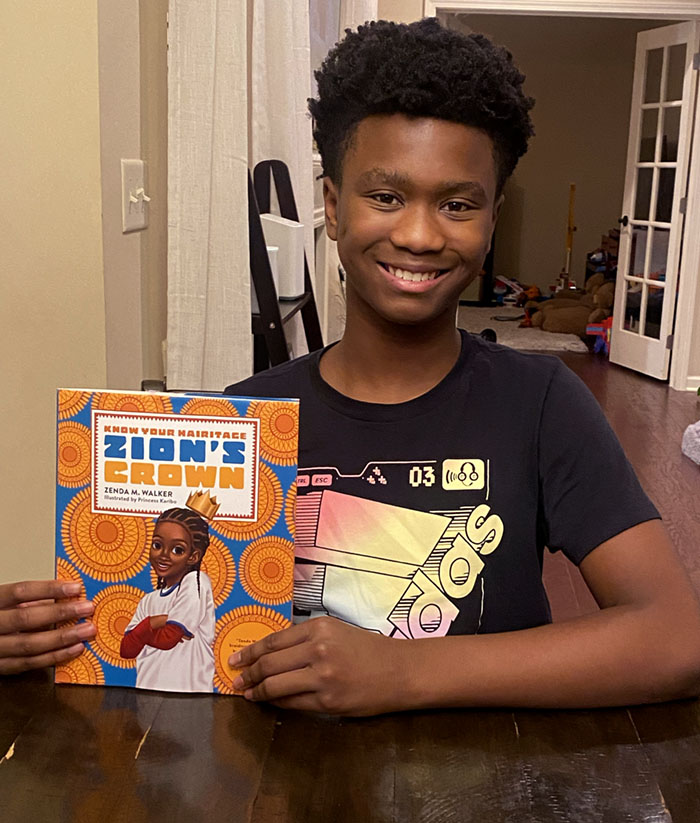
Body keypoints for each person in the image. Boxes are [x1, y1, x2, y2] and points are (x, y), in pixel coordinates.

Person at [2, 19, 699, 714]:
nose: (420, 234)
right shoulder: (238, 423)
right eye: (386, 196)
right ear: (333, 207)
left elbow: (675, 638)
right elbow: (155, 640)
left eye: (457, 204)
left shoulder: (543, 404)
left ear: (491, 220)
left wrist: (405, 671)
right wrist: (47, 632)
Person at [120, 507, 216, 692]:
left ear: (193, 556)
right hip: (146, 693)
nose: (163, 555)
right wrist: (157, 620)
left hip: (190, 697)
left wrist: (143, 632)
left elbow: (168, 639)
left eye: (177, 549)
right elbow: (126, 649)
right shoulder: (148, 600)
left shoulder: (196, 582)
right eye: (157, 545)